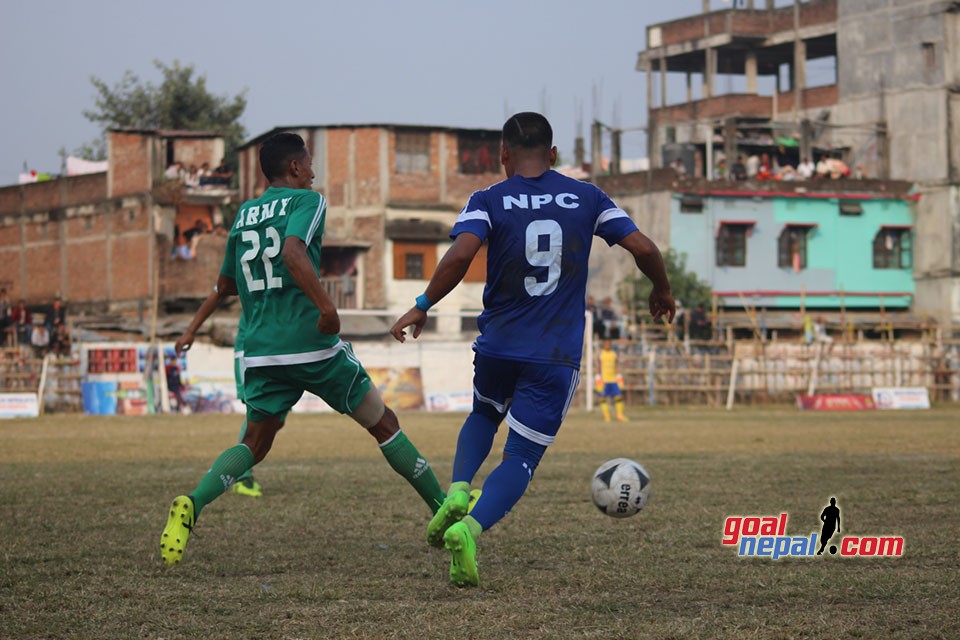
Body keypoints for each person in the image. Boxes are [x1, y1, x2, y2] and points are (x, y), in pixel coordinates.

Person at [390, 112, 675, 587]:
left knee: (483, 415)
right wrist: (661, 289)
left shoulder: (488, 199)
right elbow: (643, 248)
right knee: (520, 457)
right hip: (554, 354)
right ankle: (470, 527)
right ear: (554, 155)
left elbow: (460, 255)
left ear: (503, 155)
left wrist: (421, 305)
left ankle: (458, 489)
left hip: (498, 345)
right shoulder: (588, 196)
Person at [159, 132, 448, 567]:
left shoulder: (243, 213)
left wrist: (192, 329)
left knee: (255, 443)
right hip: (310, 344)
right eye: (309, 163)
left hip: (260, 350)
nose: (313, 172)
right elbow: (294, 252)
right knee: (383, 423)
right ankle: (443, 511)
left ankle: (193, 504)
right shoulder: (306, 202)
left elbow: (224, 286)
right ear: (294, 167)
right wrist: (327, 308)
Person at [175, 291, 263, 497]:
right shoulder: (242, 259)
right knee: (259, 409)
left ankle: (244, 473)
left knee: (275, 412)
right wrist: (191, 330)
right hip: (252, 348)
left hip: (278, 347)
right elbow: (220, 290)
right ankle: (243, 477)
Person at [597, 340, 627, 422]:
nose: (608, 345)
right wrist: (598, 377)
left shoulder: (614, 354)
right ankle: (607, 416)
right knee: (602, 398)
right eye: (606, 343)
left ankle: (619, 415)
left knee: (619, 397)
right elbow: (598, 366)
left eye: (609, 343)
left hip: (613, 380)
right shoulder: (601, 355)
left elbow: (617, 365)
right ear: (603, 344)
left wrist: (619, 376)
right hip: (604, 380)